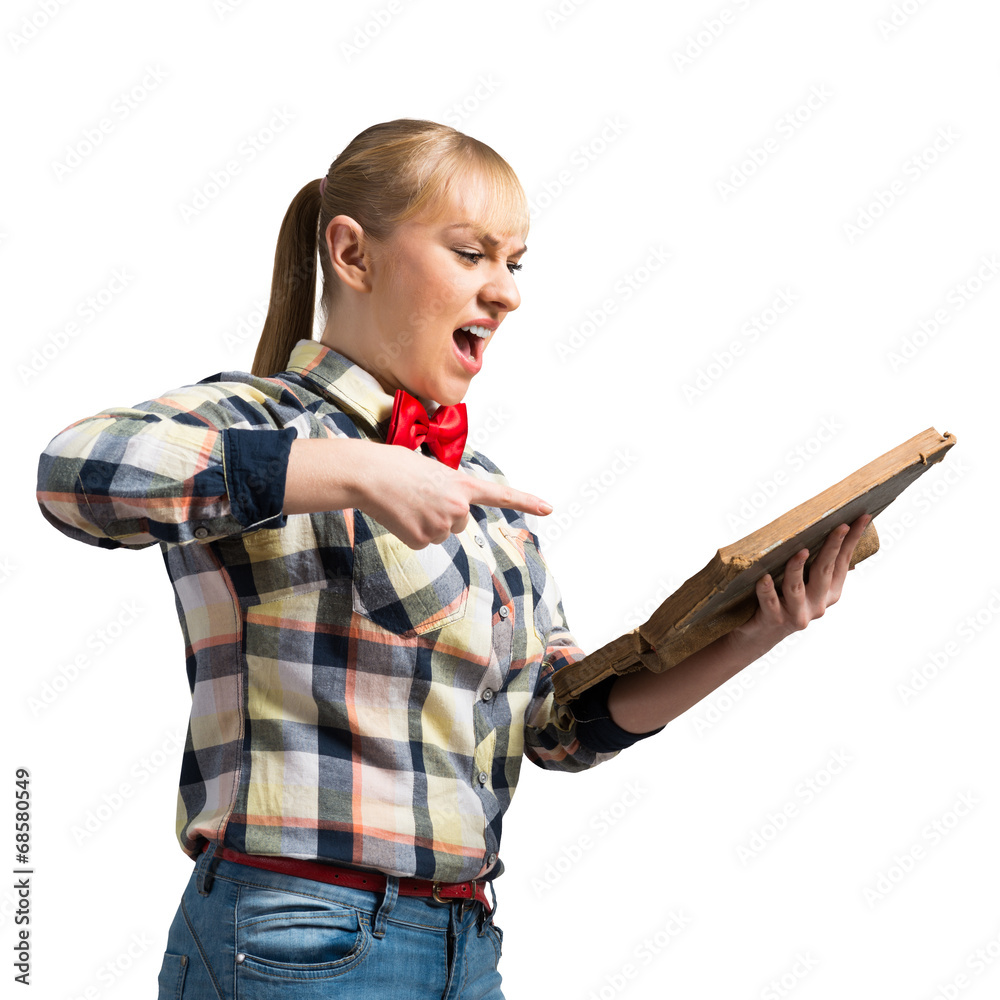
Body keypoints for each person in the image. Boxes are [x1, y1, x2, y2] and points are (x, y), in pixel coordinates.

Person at [35, 118, 869, 999]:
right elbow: (75, 474)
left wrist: (753, 630)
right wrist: (354, 470)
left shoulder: (479, 490)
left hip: (464, 945)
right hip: (297, 937)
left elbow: (558, 729)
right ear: (352, 255)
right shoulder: (265, 427)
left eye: (515, 262)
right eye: (472, 254)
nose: (505, 293)